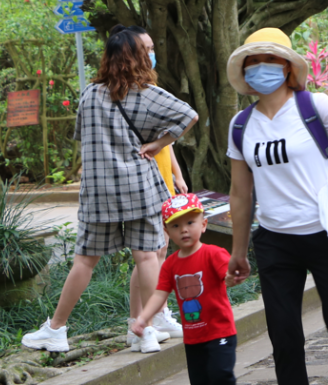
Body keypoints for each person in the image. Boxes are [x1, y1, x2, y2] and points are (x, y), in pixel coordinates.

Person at [224, 29, 328, 385]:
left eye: (270, 59)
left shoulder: (315, 107)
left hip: (327, 235)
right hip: (274, 241)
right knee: (284, 338)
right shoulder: (240, 125)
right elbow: (240, 193)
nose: (261, 67)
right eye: (253, 61)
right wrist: (238, 252)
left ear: (287, 66)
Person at [22, 29, 198, 354]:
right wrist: (159, 143)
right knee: (147, 257)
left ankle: (56, 330)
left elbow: (83, 138)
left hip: (100, 193)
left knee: (84, 262)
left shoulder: (90, 94)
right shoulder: (148, 94)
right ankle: (144, 331)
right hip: (141, 188)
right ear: (138, 57)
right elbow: (190, 115)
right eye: (147, 50)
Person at [112, 25, 187, 345]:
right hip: (144, 182)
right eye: (146, 49)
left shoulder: (152, 89)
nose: (151, 54)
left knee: (159, 251)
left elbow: (166, 142)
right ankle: (143, 319)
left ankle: (152, 316)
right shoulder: (126, 96)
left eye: (152, 48)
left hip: (164, 180)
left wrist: (178, 175)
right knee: (149, 253)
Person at [132, 194, 237, 384]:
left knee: (220, 374)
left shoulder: (213, 254)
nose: (184, 230)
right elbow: (159, 294)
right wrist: (143, 318)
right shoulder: (170, 265)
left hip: (220, 331)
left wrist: (232, 277)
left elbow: (229, 274)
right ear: (166, 232)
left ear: (203, 224)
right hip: (193, 338)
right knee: (199, 380)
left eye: (190, 222)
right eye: (175, 226)